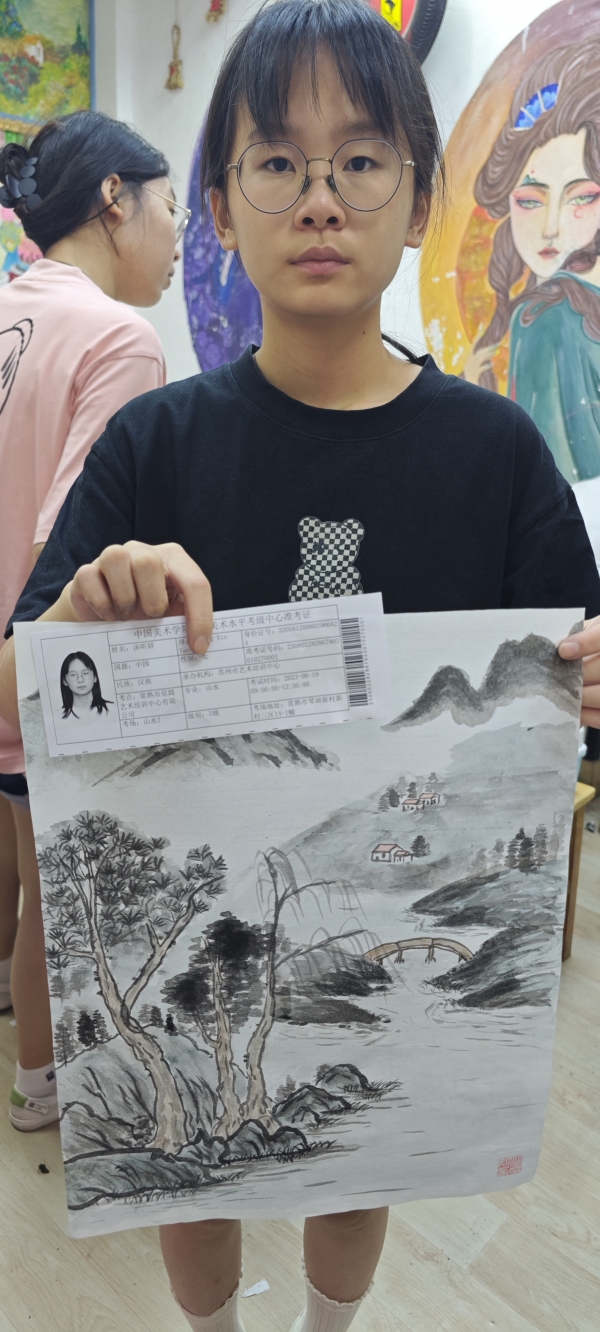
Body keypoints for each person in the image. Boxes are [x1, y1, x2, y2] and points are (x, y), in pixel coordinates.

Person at [2, 2, 600, 1328]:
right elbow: (16, 684)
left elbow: (575, 684)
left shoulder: (498, 456)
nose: (320, 197)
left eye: (362, 160)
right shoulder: (155, 445)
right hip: (203, 901)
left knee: (356, 1144)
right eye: (278, 161)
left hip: (363, 886)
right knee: (196, 1150)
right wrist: (78, 624)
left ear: (421, 198)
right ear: (220, 205)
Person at [0, 109, 186, 1133]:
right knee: (61, 903)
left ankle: (37, 1080)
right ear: (116, 198)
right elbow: (70, 543)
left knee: (31, 882)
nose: (177, 237)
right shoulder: (120, 337)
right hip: (41, 670)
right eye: (171, 207)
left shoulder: (11, 308)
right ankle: (49, 1097)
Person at [464, 42, 600, 485]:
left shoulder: (544, 318)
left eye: (581, 197)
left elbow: (547, 492)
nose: (551, 228)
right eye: (529, 200)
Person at [58, 651, 113, 722]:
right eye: (73, 675)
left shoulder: (113, 710)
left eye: (85, 673)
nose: (80, 680)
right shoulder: (57, 717)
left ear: (95, 677)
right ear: (64, 681)